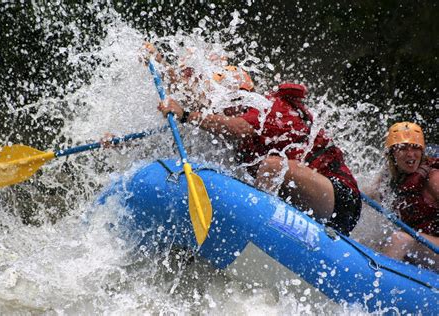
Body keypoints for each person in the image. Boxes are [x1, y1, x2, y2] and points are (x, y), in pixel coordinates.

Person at [158, 81, 362, 236]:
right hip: (316, 199)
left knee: (272, 167)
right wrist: (159, 62)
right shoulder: (245, 116)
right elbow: (194, 94)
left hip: (339, 198)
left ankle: (251, 231)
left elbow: (238, 128)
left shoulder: (268, 107)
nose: (224, 111)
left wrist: (185, 115)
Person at [368, 122, 438, 269]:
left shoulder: (433, 178)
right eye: (403, 148)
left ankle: (379, 283)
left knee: (400, 239)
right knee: (377, 242)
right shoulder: (389, 177)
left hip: (434, 247)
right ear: (392, 153)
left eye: (415, 148)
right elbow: (368, 194)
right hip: (422, 244)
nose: (411, 154)